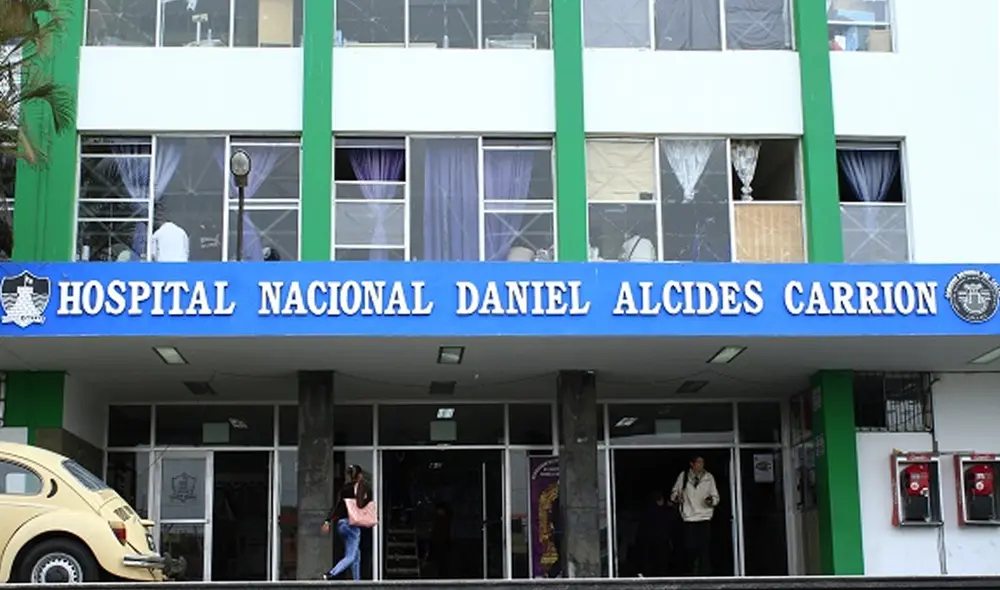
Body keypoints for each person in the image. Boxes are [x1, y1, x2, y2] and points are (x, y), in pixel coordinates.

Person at [670, 456, 720, 576]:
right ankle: (689, 575)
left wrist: (711, 501)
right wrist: (678, 498)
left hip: (704, 517)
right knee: (689, 549)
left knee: (704, 550)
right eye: (698, 462)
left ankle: (705, 575)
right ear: (691, 464)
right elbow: (673, 494)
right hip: (689, 518)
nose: (701, 465)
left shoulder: (709, 477)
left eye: (702, 462)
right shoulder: (683, 476)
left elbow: (716, 497)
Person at [322, 464, 371, 580]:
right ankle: (331, 573)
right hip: (352, 525)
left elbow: (338, 506)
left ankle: (356, 581)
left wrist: (327, 521)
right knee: (351, 556)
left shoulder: (345, 489)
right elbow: (361, 504)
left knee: (356, 555)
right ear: (359, 475)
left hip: (341, 524)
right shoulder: (360, 488)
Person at [635, 491, 674, 577]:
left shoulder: (646, 512)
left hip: (648, 541)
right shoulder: (663, 512)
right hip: (661, 541)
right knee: (661, 563)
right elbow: (670, 521)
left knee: (649, 561)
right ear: (659, 500)